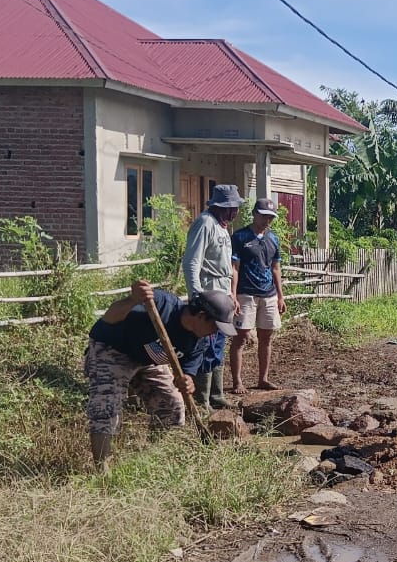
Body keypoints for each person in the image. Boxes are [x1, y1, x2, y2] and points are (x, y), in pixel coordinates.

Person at [85, 280, 237, 469]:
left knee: (172, 405)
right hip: (113, 350)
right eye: (215, 326)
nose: (215, 333)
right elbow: (109, 317)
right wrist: (133, 300)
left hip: (148, 360)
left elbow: (187, 373)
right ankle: (103, 473)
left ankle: (152, 460)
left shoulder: (200, 341)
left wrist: (187, 382)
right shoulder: (161, 304)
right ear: (200, 316)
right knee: (106, 407)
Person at [183, 184, 242, 410]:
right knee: (205, 345)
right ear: (219, 206)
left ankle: (216, 395)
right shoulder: (205, 223)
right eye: (231, 207)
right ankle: (202, 400)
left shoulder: (223, 227)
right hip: (208, 294)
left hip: (222, 293)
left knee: (218, 344)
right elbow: (192, 261)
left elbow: (226, 267)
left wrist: (231, 296)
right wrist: (196, 295)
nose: (234, 211)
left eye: (235, 207)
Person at [229, 198, 287, 393]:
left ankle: (263, 378)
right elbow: (234, 267)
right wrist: (233, 294)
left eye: (270, 217)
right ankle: (237, 381)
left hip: (268, 293)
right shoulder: (240, 237)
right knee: (241, 337)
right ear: (254, 214)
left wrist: (280, 296)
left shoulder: (273, 239)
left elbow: (276, 268)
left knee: (266, 337)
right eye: (263, 215)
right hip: (246, 293)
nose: (266, 220)